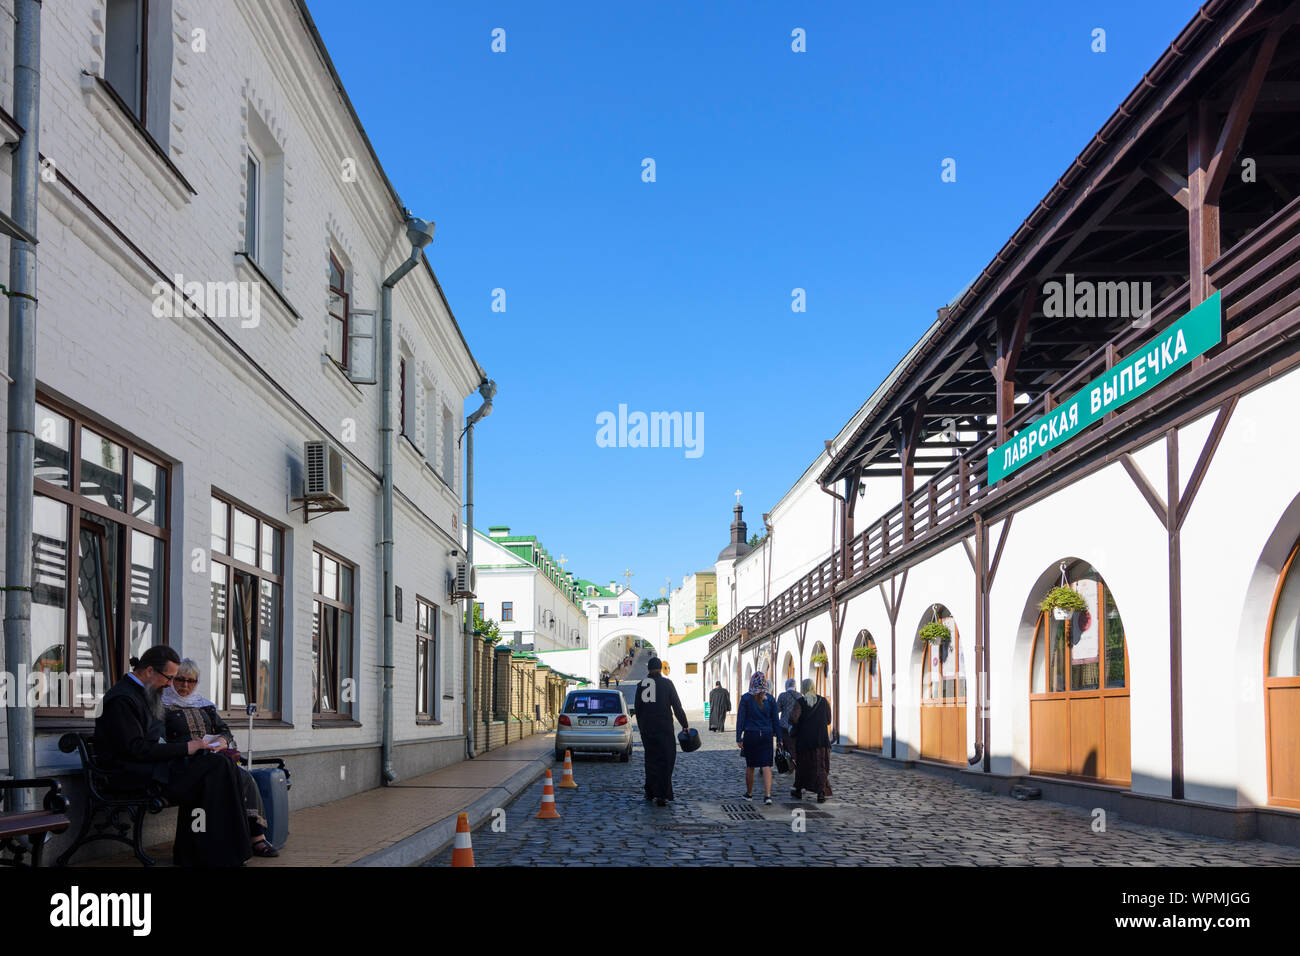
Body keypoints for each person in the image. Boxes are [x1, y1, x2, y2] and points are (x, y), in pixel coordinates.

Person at [94, 645, 252, 866]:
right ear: (149, 671)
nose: (170, 685)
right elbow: (135, 749)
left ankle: (210, 852)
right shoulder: (122, 699)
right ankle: (212, 853)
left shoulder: (145, 693)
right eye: (169, 678)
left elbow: (153, 741)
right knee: (215, 768)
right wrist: (188, 748)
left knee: (222, 762)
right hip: (131, 774)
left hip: (154, 766)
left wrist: (196, 747)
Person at [162, 658, 278, 857]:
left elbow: (225, 730)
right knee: (225, 780)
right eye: (180, 679)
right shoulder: (162, 706)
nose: (185, 685)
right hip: (184, 763)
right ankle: (222, 843)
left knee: (245, 778)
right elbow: (159, 740)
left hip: (214, 759)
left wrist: (223, 741)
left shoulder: (204, 706)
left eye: (191, 681)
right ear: (172, 680)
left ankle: (256, 837)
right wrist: (187, 747)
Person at [629, 657, 689, 806]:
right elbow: (677, 706)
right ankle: (662, 793)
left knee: (651, 760)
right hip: (664, 729)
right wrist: (685, 724)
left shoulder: (641, 685)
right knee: (667, 760)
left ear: (648, 670)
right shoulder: (667, 684)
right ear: (660, 669)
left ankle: (650, 791)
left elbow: (638, 709)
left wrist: (642, 728)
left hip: (648, 730)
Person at [735, 672, 779, 805]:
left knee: (751, 765)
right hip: (766, 734)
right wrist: (780, 737)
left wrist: (738, 737)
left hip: (751, 734)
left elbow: (741, 719)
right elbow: (775, 720)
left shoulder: (746, 698)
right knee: (766, 765)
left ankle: (749, 794)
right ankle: (768, 795)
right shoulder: (770, 699)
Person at [788, 677, 833, 803]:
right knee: (821, 766)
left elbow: (793, 719)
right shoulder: (823, 701)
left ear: (803, 688)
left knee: (803, 766)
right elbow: (828, 720)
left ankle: (798, 790)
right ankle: (821, 793)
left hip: (805, 740)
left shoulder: (800, 702)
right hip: (821, 740)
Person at [776, 677, 800, 767]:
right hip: (795, 725)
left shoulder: (782, 695)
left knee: (785, 744)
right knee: (794, 744)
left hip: (784, 725)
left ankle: (787, 762)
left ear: (786, 686)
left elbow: (777, 709)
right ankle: (794, 759)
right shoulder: (799, 695)